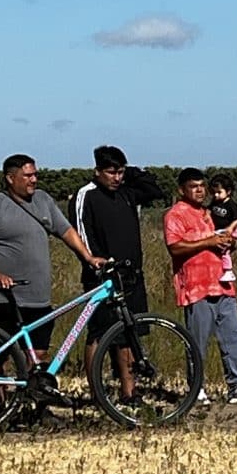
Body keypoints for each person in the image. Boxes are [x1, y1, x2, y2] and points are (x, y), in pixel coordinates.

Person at [0, 155, 110, 374]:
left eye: (35, 175)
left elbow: (66, 231)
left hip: (38, 297)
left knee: (38, 355)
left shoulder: (43, 200)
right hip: (3, 297)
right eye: (27, 176)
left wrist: (88, 258)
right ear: (10, 178)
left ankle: (28, 394)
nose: (33, 180)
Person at [71, 146, 165, 398]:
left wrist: (131, 172)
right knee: (99, 335)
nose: (117, 178)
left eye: (120, 172)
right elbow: (80, 234)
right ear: (97, 171)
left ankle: (129, 393)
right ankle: (97, 395)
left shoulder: (126, 192)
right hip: (101, 277)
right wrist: (94, 261)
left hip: (131, 275)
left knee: (129, 334)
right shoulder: (86, 195)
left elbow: (155, 190)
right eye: (111, 172)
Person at [166, 170, 237, 404]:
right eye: (194, 186)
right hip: (196, 286)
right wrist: (207, 242)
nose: (200, 190)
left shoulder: (212, 211)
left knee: (232, 336)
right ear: (182, 190)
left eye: (202, 186)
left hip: (222, 282)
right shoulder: (175, 215)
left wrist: (229, 241)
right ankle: (196, 388)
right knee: (197, 341)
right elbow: (175, 247)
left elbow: (230, 233)